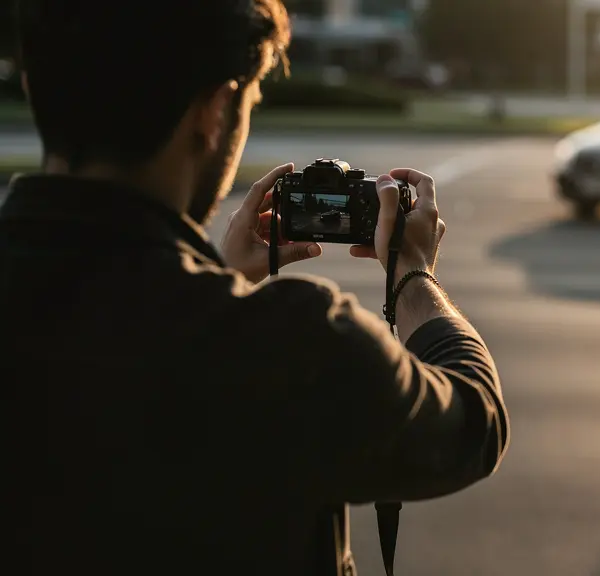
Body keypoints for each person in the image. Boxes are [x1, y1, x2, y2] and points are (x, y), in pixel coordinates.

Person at [1, 1, 509, 575]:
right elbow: (473, 424)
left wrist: (211, 278)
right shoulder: (290, 347)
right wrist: (413, 274)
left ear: (33, 85)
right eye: (249, 107)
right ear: (215, 113)